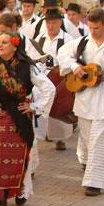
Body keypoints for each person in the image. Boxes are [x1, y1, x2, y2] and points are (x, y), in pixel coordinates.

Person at [0, 33, 54, 206]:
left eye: (4, 42)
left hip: (17, 118)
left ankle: (21, 191)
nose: (0, 45)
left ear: (15, 46)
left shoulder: (27, 67)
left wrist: (34, 107)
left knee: (18, 156)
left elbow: (48, 88)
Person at [57, 8, 104, 196]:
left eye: (97, 28)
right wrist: (75, 67)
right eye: (90, 27)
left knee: (100, 140)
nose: (93, 31)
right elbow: (62, 54)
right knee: (87, 137)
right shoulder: (82, 42)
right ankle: (91, 169)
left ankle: (94, 182)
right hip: (84, 98)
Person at [34, 8, 73, 150]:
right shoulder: (40, 38)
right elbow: (33, 56)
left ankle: (60, 139)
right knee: (44, 104)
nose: (50, 26)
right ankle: (44, 133)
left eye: (54, 23)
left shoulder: (68, 39)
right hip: (43, 76)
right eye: (48, 23)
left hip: (60, 76)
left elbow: (72, 58)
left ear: (60, 22)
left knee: (59, 105)